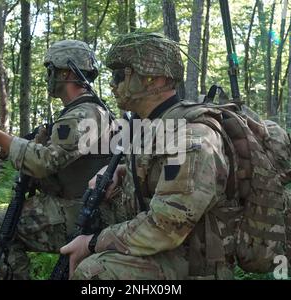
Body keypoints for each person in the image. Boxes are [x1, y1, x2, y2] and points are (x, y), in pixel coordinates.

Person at [60, 33, 237, 280]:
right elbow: (153, 166)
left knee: (95, 273)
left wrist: (93, 243)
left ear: (154, 79)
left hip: (193, 262)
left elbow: (167, 227)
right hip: (162, 246)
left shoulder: (190, 137)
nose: (113, 85)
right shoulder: (151, 126)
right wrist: (120, 172)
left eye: (120, 76)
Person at [0, 40, 123, 280]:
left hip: (85, 212)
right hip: (81, 204)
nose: (47, 77)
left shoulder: (84, 114)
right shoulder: (86, 111)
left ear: (67, 72)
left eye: (51, 71)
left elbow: (44, 162)